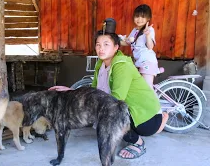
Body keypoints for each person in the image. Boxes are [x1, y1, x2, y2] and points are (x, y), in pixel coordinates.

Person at [49, 18, 168, 159]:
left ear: (116, 47)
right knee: (102, 112)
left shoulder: (121, 65)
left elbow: (116, 101)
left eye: (106, 44)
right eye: (98, 45)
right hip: (131, 111)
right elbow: (93, 92)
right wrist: (71, 91)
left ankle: (139, 143)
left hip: (146, 118)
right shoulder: (100, 64)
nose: (101, 49)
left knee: (110, 114)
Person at [120, 4, 161, 90]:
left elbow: (150, 47)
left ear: (148, 19)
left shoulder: (149, 30)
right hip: (139, 62)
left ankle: (154, 103)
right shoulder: (135, 30)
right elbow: (128, 42)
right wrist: (115, 41)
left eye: (143, 17)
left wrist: (148, 35)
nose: (139, 19)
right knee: (140, 88)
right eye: (137, 16)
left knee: (147, 88)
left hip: (147, 62)